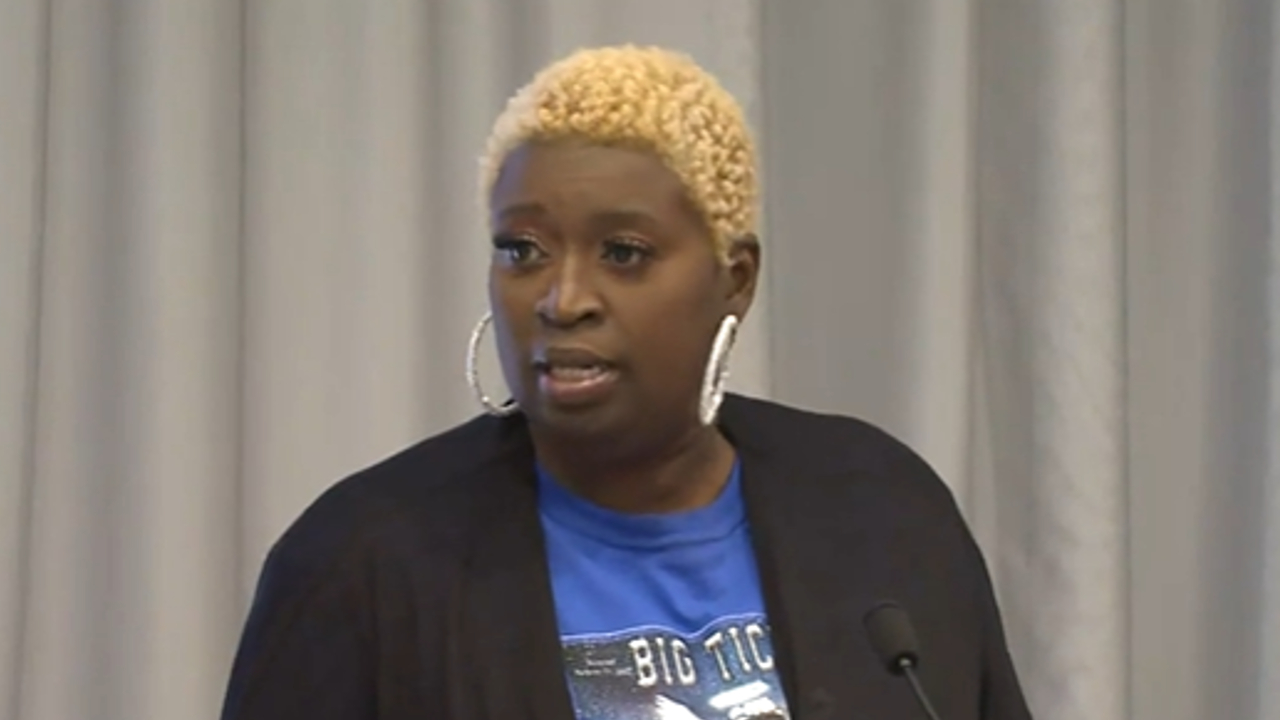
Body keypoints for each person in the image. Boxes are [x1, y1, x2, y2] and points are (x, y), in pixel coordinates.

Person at [218, 45, 1033, 720]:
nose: (561, 299)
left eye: (623, 253)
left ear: (734, 278)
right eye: (522, 250)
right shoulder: (360, 565)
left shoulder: (881, 508)